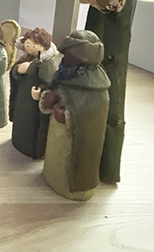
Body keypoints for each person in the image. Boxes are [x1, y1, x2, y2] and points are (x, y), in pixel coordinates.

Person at [39, 30, 111, 201]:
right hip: (57, 136)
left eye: (70, 54)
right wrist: (48, 97)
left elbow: (91, 115)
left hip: (75, 143)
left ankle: (69, 188)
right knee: (56, 159)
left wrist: (66, 115)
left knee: (68, 166)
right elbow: (54, 88)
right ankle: (51, 176)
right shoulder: (66, 73)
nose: (66, 58)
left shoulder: (94, 85)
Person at [9, 28, 58, 158]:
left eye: (34, 44)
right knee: (22, 121)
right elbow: (14, 73)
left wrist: (41, 93)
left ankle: (33, 149)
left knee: (32, 127)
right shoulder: (26, 58)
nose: (29, 46)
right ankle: (18, 140)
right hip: (22, 99)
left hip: (33, 105)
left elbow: (50, 84)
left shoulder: (46, 64)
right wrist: (18, 69)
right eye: (27, 43)